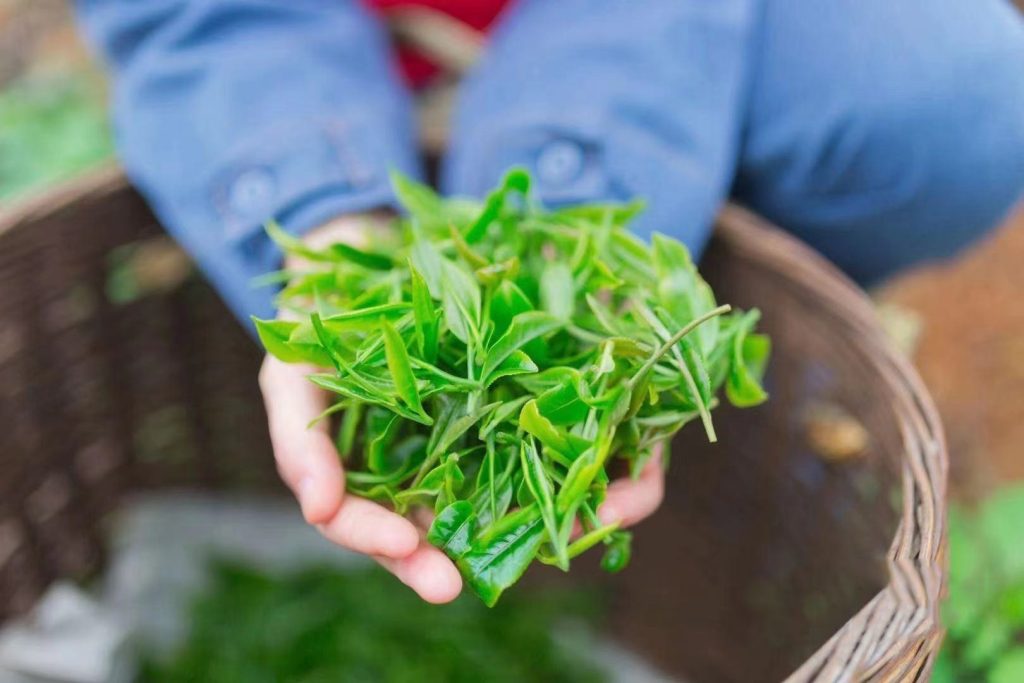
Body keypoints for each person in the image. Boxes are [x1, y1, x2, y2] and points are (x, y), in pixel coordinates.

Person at [76, 0, 1024, 603]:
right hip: (300, 64)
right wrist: (327, 242)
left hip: (637, 33)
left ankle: (712, 298)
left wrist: (567, 216)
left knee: (954, 96)